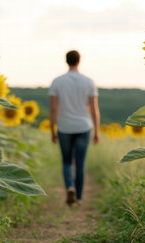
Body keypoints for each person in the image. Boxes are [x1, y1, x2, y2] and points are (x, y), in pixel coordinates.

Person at [49, 50, 100, 206]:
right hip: (84, 127)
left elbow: (53, 110)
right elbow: (94, 109)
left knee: (66, 162)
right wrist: (97, 131)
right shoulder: (88, 81)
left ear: (66, 61)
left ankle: (70, 187)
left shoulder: (57, 82)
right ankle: (78, 197)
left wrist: (52, 130)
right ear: (79, 61)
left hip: (64, 127)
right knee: (80, 162)